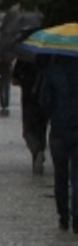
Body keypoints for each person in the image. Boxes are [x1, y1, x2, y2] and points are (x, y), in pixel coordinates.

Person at [38, 55, 78, 231]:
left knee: (60, 176)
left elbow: (44, 102)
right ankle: (77, 220)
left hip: (59, 131)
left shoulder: (52, 72)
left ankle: (63, 217)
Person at [12, 54, 49, 174]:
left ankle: (36, 151)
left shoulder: (25, 57)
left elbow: (15, 79)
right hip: (46, 99)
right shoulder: (50, 57)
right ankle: (40, 151)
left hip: (29, 99)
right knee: (41, 128)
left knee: (28, 131)